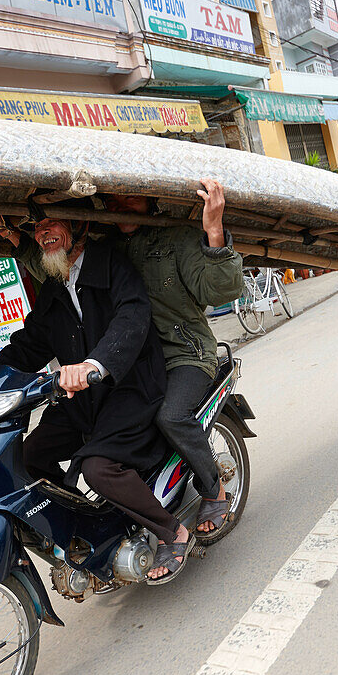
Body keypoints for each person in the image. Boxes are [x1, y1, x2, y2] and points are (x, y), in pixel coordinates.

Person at [0, 216, 196, 581]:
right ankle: (92, 529)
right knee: (27, 457)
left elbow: (132, 317)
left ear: (79, 224)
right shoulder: (55, 283)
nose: (42, 233)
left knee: (98, 468)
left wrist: (93, 364)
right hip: (80, 398)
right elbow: (29, 344)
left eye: (51, 223)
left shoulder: (111, 263)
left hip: (129, 387)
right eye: (35, 227)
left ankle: (170, 531)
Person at [104, 180, 244, 549]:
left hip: (186, 354)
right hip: (133, 365)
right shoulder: (105, 249)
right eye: (114, 199)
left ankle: (214, 491)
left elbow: (220, 291)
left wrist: (213, 229)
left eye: (130, 195)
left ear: (149, 198)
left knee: (171, 417)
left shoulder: (177, 239)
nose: (122, 205)